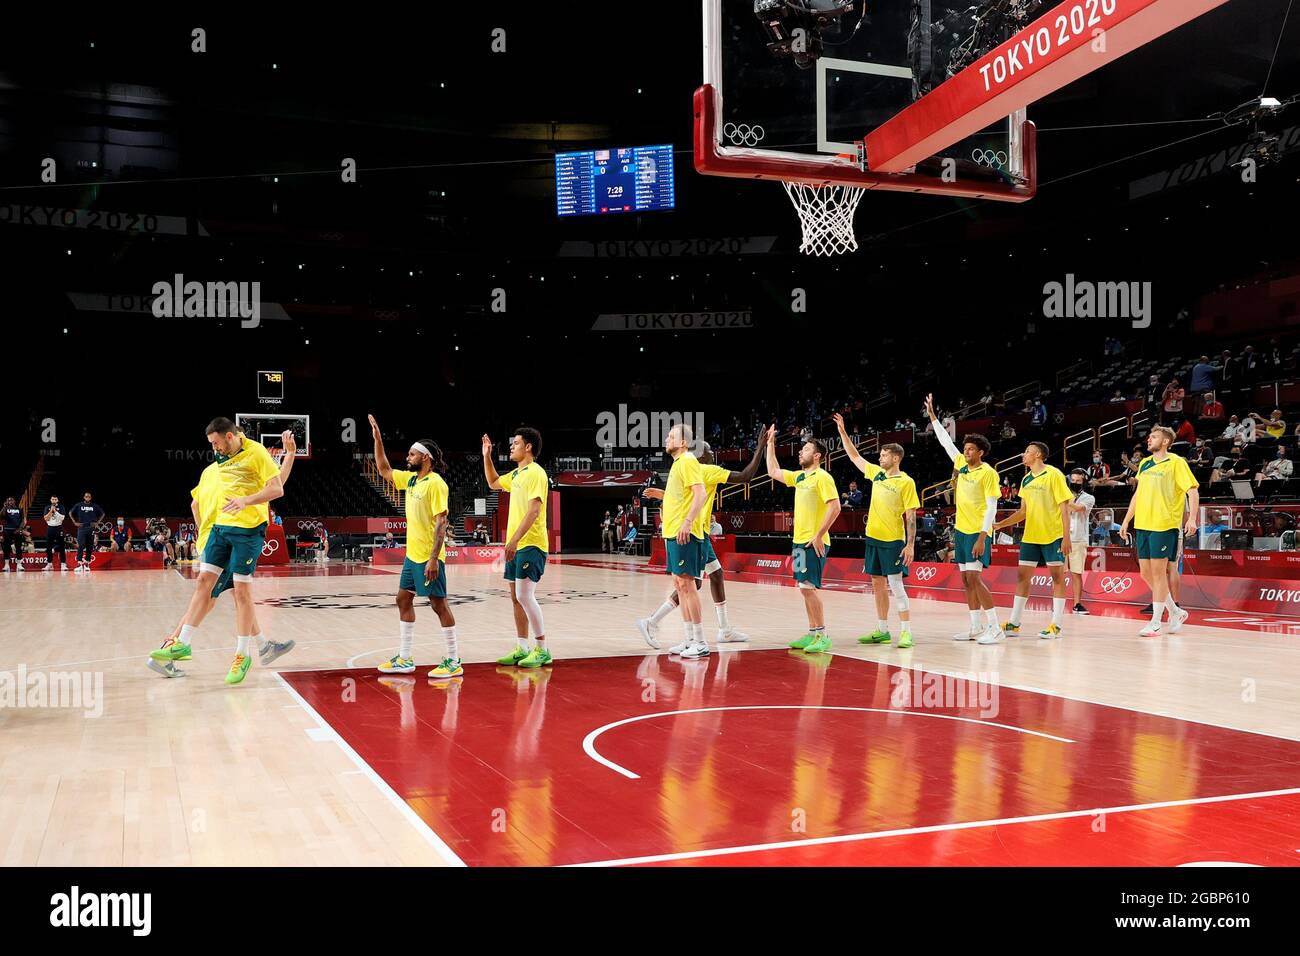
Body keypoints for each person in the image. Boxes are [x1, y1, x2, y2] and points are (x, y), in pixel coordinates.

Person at [149, 431, 298, 679]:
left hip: (212, 536)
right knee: (210, 599)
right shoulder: (241, 471)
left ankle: (263, 646)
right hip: (231, 535)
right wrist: (290, 454)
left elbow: (194, 505)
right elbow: (276, 485)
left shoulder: (210, 471)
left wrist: (202, 535)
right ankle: (168, 649)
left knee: (235, 595)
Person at [636, 429, 766, 653]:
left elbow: (682, 495)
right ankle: (664, 625)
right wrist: (760, 448)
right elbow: (745, 476)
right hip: (694, 531)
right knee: (690, 583)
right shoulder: (705, 468)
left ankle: (717, 630)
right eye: (709, 451)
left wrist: (663, 495)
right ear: (700, 454)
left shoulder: (686, 465)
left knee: (707, 577)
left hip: (693, 530)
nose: (712, 454)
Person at [368, 416, 461, 680]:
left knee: (438, 604)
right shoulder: (410, 481)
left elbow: (442, 522)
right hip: (412, 556)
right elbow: (384, 469)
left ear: (426, 457)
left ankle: (454, 660)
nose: (408, 457)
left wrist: (434, 558)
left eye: (412, 454)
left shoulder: (436, 484)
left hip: (429, 557)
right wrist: (377, 440)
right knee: (402, 599)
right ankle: (405, 658)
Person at [835, 413, 920, 648]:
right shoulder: (877, 474)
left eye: (883, 455)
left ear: (895, 457)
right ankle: (882, 630)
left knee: (896, 585)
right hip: (873, 538)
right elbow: (854, 456)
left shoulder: (906, 481)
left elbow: (911, 516)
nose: (879, 457)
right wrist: (843, 433)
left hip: (893, 541)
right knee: (876, 582)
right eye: (880, 454)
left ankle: (906, 632)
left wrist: (910, 544)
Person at [925, 396, 1001, 643]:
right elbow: (946, 443)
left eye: (970, 449)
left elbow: (992, 507)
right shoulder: (962, 465)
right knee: (966, 580)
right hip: (961, 530)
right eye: (965, 448)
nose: (966, 451)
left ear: (980, 452)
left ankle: (995, 627)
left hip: (978, 532)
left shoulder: (988, 473)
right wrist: (934, 418)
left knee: (976, 579)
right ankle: (975, 627)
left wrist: (983, 536)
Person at [1118, 425, 1199, 636]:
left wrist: (1192, 518)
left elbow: (1192, 490)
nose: (1149, 440)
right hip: (1143, 524)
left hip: (1164, 524)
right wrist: (1126, 520)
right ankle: (1175, 611)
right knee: (1146, 573)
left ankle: (1155, 622)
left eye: (1153, 437)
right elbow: (1137, 495)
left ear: (1165, 441)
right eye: (1149, 436)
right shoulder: (1144, 464)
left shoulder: (1176, 462)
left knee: (1158, 572)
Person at [766, 427, 840, 653]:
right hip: (798, 541)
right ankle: (811, 633)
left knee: (809, 587)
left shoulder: (823, 477)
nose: (801, 452)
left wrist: (819, 535)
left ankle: (822, 635)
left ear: (817, 456)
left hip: (813, 542)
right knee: (803, 587)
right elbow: (773, 471)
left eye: (806, 449)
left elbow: (835, 507)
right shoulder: (800, 477)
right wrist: (770, 443)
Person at [483, 427, 552, 669]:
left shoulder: (536, 473)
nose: (512, 447)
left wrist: (512, 541)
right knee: (515, 597)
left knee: (524, 595)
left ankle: (542, 649)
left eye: (516, 443)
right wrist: (486, 456)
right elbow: (492, 482)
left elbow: (534, 510)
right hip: (517, 544)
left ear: (529, 447)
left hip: (530, 542)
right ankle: (522, 647)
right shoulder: (516, 475)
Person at [991, 442, 1073, 639]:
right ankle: (1014, 623)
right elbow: (1023, 512)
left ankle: (1056, 625)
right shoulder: (1026, 479)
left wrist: (1066, 537)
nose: (1023, 454)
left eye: (1027, 451)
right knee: (1022, 577)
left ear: (1037, 455)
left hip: (1053, 535)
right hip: (1031, 536)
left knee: (1057, 578)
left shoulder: (1054, 474)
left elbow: (1064, 507)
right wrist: (1000, 525)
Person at [648, 423, 710, 659]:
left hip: (685, 533)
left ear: (683, 442)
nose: (667, 438)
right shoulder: (677, 464)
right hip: (672, 533)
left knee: (688, 585)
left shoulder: (688, 461)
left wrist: (687, 523)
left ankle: (701, 641)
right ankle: (688, 639)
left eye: (671, 436)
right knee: (679, 586)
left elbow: (700, 494)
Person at [1065, 468, 1096, 614]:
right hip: (1062, 538)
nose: (1075, 483)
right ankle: (1056, 602)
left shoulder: (1088, 498)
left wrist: (1063, 499)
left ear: (1083, 482)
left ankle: (1077, 604)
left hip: (1078, 539)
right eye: (1073, 480)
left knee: (1076, 573)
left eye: (1078, 481)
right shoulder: (1064, 495)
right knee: (1057, 572)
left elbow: (1078, 508)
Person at [69, 492, 103, 572]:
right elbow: (70, 513)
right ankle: (79, 563)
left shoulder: (94, 506)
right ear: (84, 497)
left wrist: (97, 522)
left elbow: (103, 513)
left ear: (90, 498)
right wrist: (74, 522)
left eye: (89, 497)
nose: (87, 497)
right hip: (82, 527)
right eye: (86, 496)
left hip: (91, 527)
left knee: (90, 546)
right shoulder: (79, 505)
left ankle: (87, 563)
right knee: (80, 545)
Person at [43, 495, 66, 571]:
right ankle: (49, 564)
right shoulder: (47, 507)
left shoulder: (61, 507)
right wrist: (51, 511)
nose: (54, 500)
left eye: (55, 499)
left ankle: (63, 564)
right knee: (48, 547)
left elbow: (62, 518)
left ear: (57, 500)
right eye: (52, 499)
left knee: (62, 546)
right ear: (50, 500)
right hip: (50, 527)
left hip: (59, 527)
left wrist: (55, 511)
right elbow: (46, 518)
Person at [2, 497, 23, 572]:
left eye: (12, 500)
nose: (10, 501)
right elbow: (1, 516)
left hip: (17, 531)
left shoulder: (19, 509)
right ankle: (6, 565)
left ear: (14, 501)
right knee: (6, 548)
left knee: (18, 547)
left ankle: (19, 565)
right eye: (9, 500)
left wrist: (20, 529)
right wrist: (4, 507)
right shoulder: (6, 509)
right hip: (7, 531)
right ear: (7, 501)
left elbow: (23, 520)